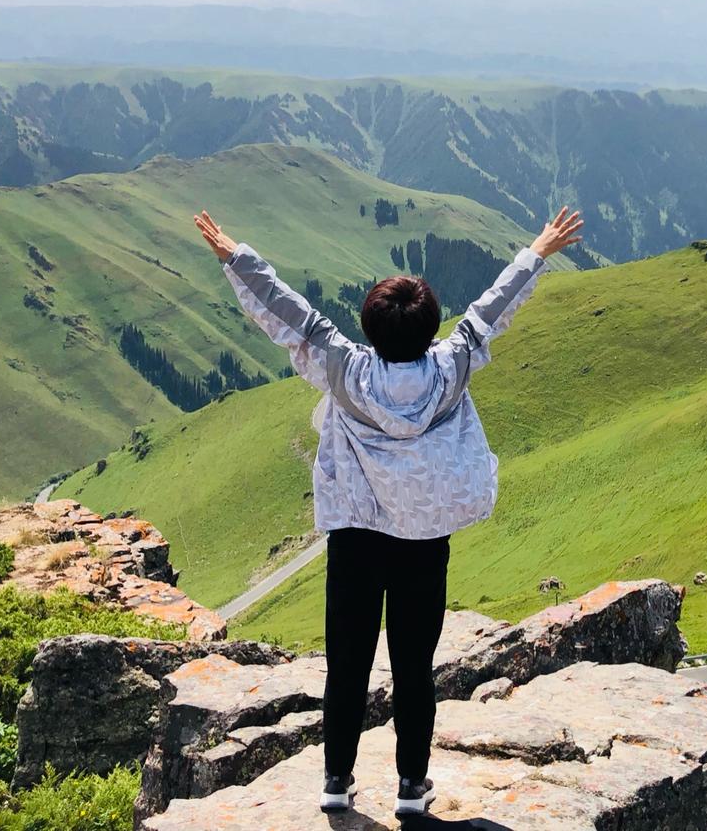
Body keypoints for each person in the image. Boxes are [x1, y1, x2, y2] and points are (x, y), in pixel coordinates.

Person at [193, 204, 583, 818]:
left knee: (347, 659)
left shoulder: (344, 369)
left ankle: (335, 780)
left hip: (355, 533)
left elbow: (294, 315)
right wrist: (538, 251)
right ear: (430, 329)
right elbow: (490, 311)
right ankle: (411, 788)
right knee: (413, 666)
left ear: (371, 329)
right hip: (423, 539)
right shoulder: (452, 368)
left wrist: (236, 258)